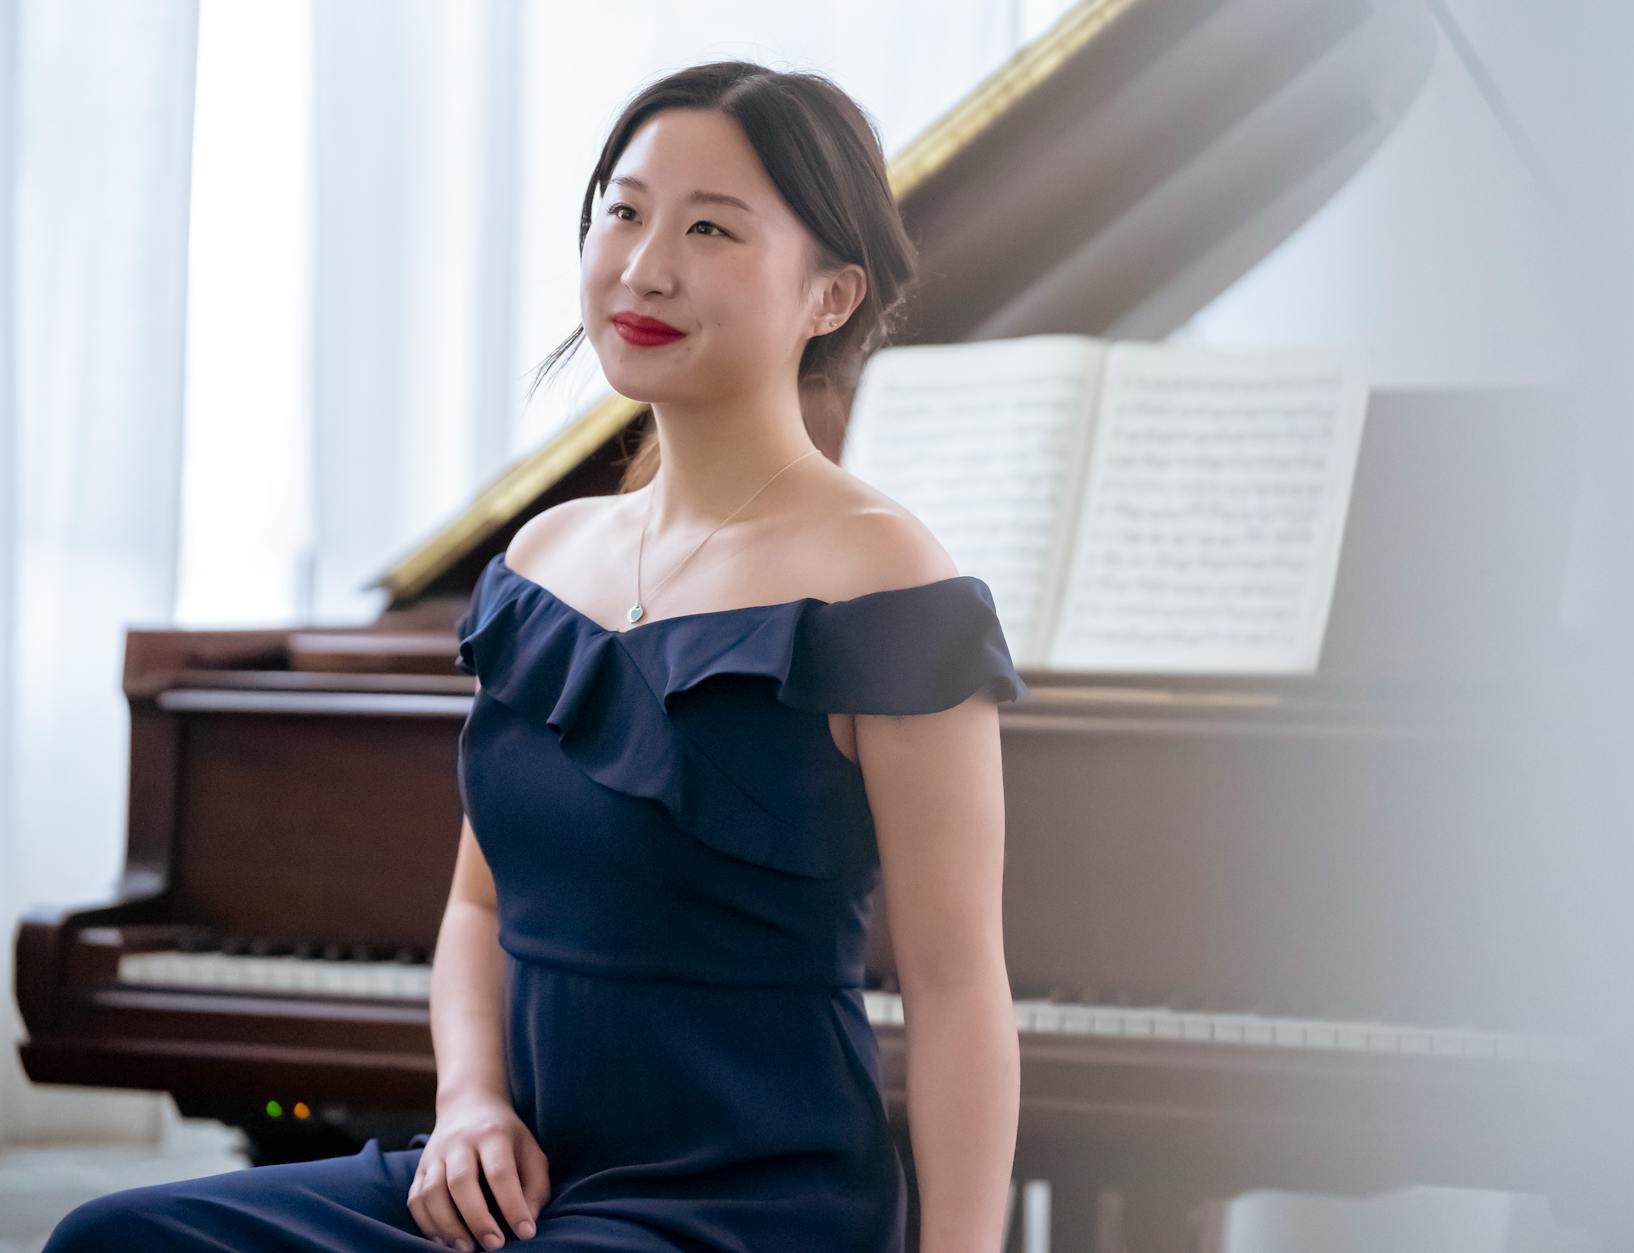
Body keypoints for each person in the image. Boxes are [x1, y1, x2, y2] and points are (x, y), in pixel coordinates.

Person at [46, 59, 1029, 1252]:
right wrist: (466, 1103)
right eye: (622, 211)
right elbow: (476, 901)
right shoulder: (545, 558)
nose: (643, 264)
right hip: (527, 1175)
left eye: (710, 228)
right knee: (115, 1237)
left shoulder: (889, 577)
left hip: (753, 1195)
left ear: (829, 296)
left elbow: (958, 984)